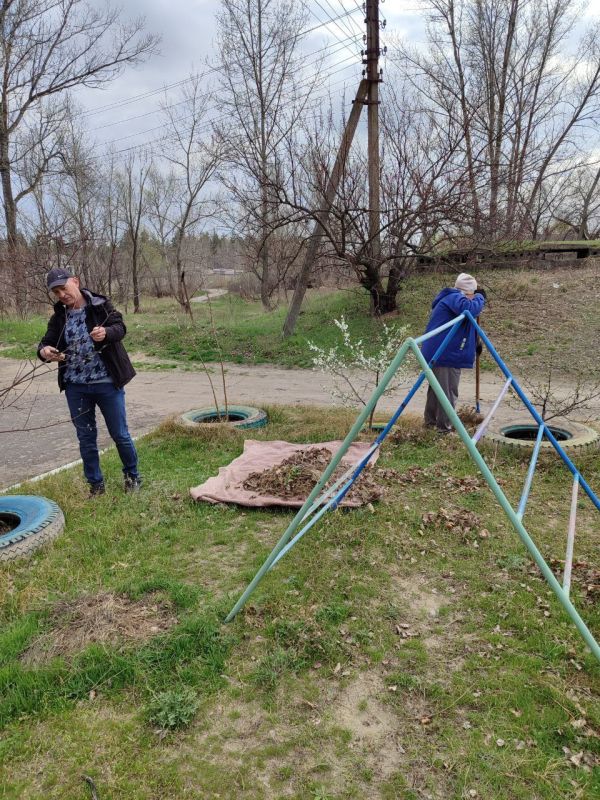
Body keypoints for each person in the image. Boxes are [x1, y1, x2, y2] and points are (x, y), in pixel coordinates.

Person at [37, 268, 141, 496]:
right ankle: (96, 485)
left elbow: (120, 327)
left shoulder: (100, 305)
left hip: (106, 383)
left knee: (120, 434)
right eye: (56, 292)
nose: (62, 294)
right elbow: (45, 343)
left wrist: (106, 333)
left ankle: (132, 477)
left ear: (75, 281)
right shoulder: (59, 317)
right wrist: (45, 351)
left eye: (63, 288)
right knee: (86, 437)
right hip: (76, 387)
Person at [420, 272, 486, 433]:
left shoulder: (453, 300)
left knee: (437, 390)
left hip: (439, 350)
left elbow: (463, 325)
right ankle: (443, 429)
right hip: (444, 353)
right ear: (467, 293)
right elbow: (470, 310)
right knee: (448, 390)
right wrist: (480, 298)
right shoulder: (454, 298)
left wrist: (476, 343)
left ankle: (431, 424)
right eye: (473, 294)